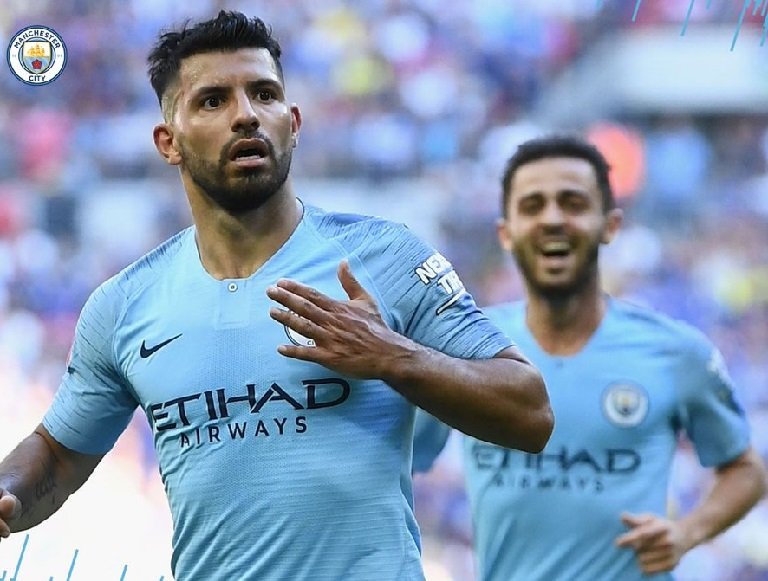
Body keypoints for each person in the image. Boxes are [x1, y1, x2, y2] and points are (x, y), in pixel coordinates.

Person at [0, 11, 553, 581]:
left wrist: (391, 356)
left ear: (292, 120)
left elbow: (530, 411)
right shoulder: (124, 304)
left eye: (263, 94)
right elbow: (59, 455)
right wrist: (7, 495)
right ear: (169, 142)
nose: (245, 115)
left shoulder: (384, 256)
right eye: (212, 101)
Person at [413, 135, 767, 580]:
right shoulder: (465, 345)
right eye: (533, 205)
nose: (554, 219)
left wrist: (688, 532)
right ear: (506, 232)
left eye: (573, 202)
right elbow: (400, 463)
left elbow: (745, 469)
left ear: (610, 225)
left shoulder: (674, 352)